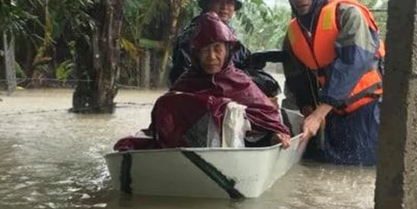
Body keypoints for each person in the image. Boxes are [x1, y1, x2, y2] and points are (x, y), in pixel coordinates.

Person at [115, 13, 291, 151]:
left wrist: (276, 134)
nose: (211, 57)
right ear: (196, 53)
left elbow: (268, 116)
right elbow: (163, 123)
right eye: (204, 50)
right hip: (191, 147)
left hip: (237, 147)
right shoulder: (185, 82)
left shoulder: (241, 82)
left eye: (217, 49)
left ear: (228, 51)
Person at [278, 0, 385, 166]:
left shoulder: (347, 14)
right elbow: (296, 77)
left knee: (367, 172)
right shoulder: (293, 33)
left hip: (370, 112)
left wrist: (319, 114)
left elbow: (352, 63)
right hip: (334, 114)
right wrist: (308, 109)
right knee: (325, 169)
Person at [167, 0, 280, 97]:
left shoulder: (228, 32)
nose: (224, 7)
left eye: (230, 3)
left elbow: (241, 60)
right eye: (218, 1)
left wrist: (258, 58)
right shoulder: (193, 34)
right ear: (206, 4)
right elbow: (183, 77)